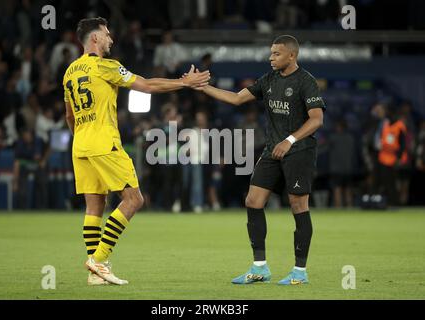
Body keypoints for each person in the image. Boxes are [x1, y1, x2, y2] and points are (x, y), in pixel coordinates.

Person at [63, 17, 210, 285]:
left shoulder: (70, 72)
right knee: (134, 199)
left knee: (94, 207)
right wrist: (184, 82)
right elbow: (147, 85)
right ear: (94, 38)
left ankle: (95, 274)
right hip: (103, 141)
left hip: (81, 144)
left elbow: (69, 116)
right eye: (106, 34)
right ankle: (99, 259)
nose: (111, 39)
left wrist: (81, 139)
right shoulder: (106, 66)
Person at [193, 35, 325, 285]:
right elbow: (236, 98)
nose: (270, 57)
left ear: (292, 55)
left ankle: (299, 272)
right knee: (253, 201)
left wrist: (290, 140)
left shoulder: (306, 81)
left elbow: (317, 119)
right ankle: (260, 267)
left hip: (299, 151)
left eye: (276, 54)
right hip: (272, 151)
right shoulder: (269, 79)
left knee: (298, 206)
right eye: (270, 53)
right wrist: (203, 87)